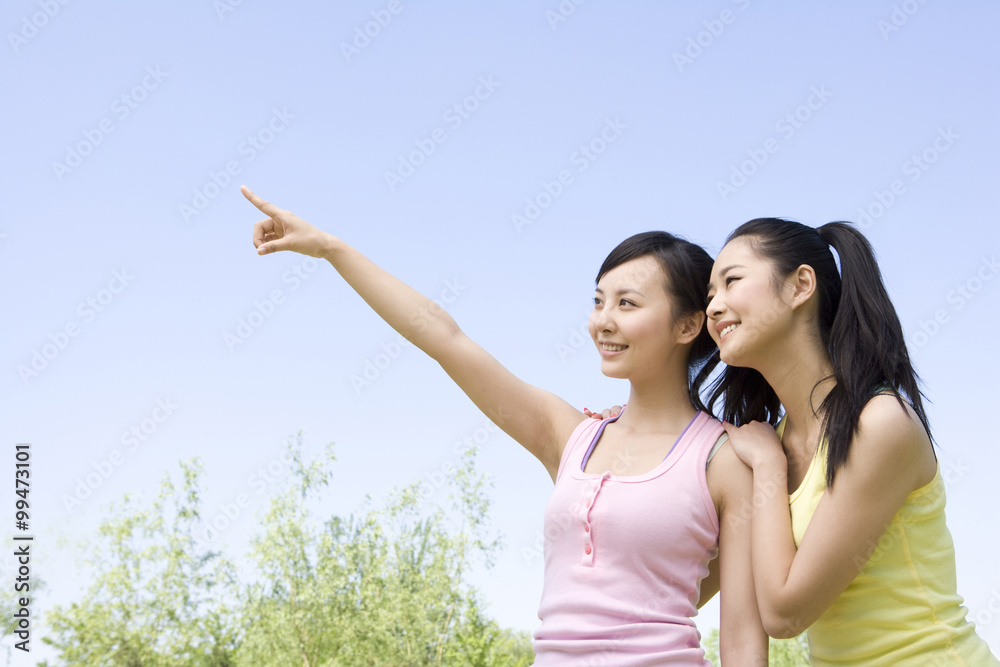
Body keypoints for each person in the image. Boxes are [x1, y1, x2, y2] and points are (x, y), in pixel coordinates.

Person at [241, 185, 767, 665]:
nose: (602, 320)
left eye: (626, 304)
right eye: (598, 300)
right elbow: (444, 338)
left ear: (688, 324)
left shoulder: (723, 460)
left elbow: (743, 637)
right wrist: (332, 250)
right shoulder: (572, 437)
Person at [703, 218, 999, 665]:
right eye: (709, 297)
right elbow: (685, 582)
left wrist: (767, 467)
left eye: (732, 282)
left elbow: (785, 613)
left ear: (801, 285)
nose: (713, 307)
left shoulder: (880, 423)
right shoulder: (769, 442)